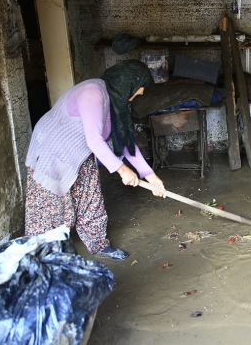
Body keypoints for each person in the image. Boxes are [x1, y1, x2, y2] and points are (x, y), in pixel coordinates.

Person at [24, 60, 165, 260]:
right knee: (50, 208)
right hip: (52, 151)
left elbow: (125, 143)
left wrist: (150, 176)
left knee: (90, 198)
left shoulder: (115, 103)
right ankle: (42, 260)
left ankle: (98, 243)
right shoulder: (93, 93)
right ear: (128, 83)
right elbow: (94, 140)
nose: (141, 93)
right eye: (141, 89)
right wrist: (122, 170)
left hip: (81, 152)